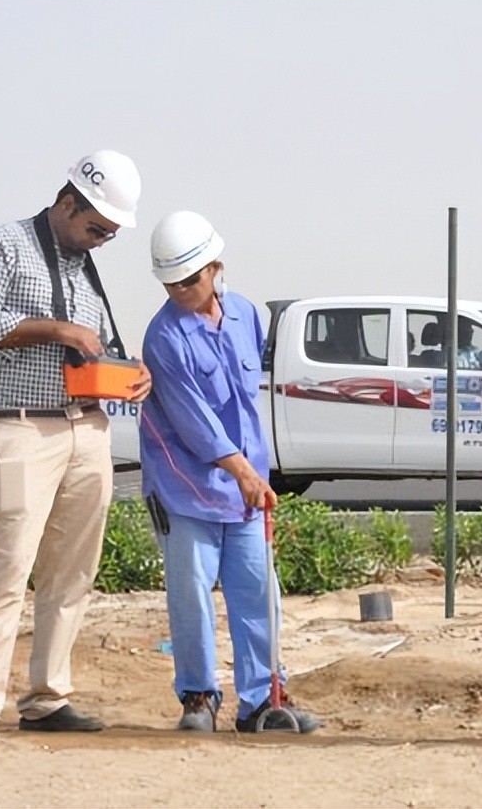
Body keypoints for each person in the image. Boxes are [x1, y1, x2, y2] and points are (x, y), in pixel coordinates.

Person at [0, 150, 151, 751]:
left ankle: (47, 697)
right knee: (8, 568)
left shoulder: (85, 266)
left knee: (72, 572)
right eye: (96, 229)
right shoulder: (3, 245)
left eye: (110, 235)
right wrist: (57, 329)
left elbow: (99, 343)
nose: (102, 241)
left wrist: (129, 369)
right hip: (21, 429)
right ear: (68, 203)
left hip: (86, 431)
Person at [138, 211, 321, 734]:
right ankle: (198, 697)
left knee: (256, 589)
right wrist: (242, 471)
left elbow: (245, 401)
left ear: (215, 268)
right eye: (170, 282)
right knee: (191, 593)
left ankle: (263, 701)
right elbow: (193, 420)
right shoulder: (164, 336)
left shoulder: (244, 315)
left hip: (245, 484)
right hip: (187, 486)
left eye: (190, 280)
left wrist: (253, 472)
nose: (180, 290)